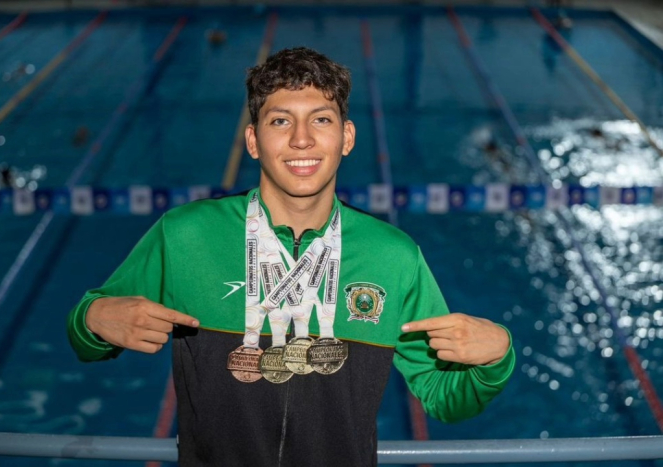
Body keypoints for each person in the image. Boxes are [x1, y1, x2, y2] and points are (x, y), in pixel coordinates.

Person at [67, 47, 515, 467]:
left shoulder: (394, 256)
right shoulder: (186, 235)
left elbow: (445, 397)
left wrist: (496, 359)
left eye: (321, 119)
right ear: (253, 140)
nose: (302, 139)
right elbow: (87, 335)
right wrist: (92, 319)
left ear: (346, 137)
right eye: (281, 121)